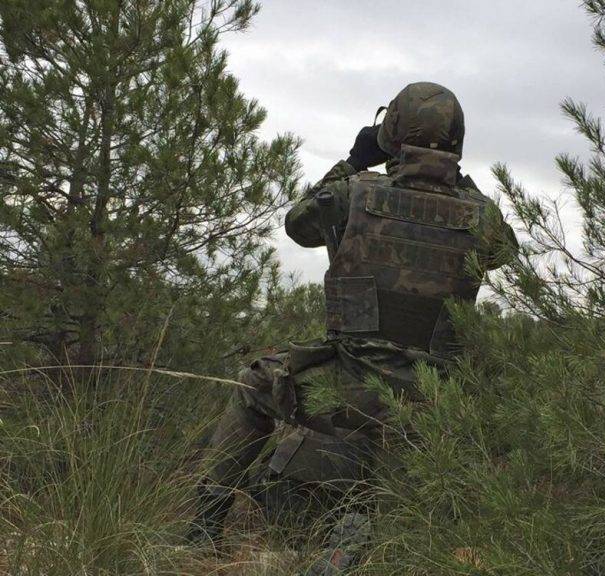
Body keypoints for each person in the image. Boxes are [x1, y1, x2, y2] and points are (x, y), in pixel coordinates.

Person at [186, 81, 518, 573]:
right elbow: (504, 252)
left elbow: (297, 224)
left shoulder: (351, 193)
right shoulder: (483, 217)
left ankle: (203, 529)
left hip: (348, 390)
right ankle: (359, 529)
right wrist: (455, 178)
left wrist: (354, 160)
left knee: (256, 382)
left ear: (393, 133)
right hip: (433, 403)